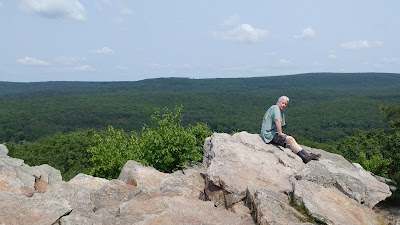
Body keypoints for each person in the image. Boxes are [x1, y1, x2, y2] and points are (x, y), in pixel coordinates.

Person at [260, 96, 320, 163]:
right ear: (278, 102)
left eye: (285, 104)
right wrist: (280, 133)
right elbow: (278, 120)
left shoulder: (272, 108)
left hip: (265, 133)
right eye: (283, 103)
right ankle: (307, 156)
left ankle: (305, 156)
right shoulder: (276, 108)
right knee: (290, 139)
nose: (284, 105)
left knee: (289, 144)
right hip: (269, 134)